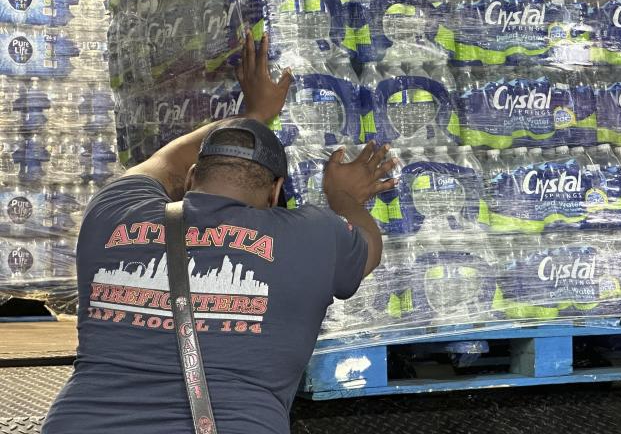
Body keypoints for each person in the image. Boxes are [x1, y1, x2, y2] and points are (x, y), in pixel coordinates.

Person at [43, 32, 397, 434]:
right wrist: (344, 196)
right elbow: (369, 247)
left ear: (193, 177)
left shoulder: (113, 213)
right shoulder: (313, 236)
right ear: (276, 191)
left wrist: (255, 112)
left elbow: (166, 162)